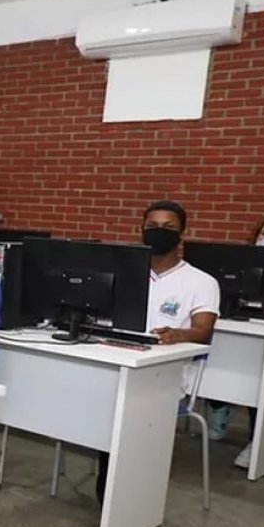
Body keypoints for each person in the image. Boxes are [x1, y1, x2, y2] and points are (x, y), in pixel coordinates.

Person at [96, 200, 219, 503]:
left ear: (182, 235)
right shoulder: (125, 274)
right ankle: (111, 479)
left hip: (167, 373)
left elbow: (204, 333)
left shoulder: (201, 282)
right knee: (92, 393)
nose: (158, 233)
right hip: (119, 360)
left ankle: (117, 487)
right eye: (151, 227)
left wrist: (178, 335)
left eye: (168, 228)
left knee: (115, 404)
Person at [207, 213, 264, 466]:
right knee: (217, 362)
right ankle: (220, 405)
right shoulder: (243, 266)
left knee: (258, 381)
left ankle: (257, 441)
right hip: (243, 327)